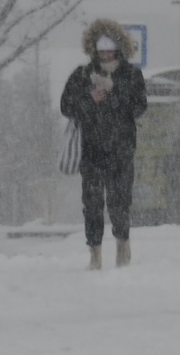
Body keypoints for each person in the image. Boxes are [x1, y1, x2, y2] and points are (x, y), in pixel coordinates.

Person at [60, 19, 147, 269]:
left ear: (120, 49)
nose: (106, 54)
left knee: (120, 202)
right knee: (93, 204)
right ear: (94, 51)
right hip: (92, 152)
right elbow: (66, 106)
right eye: (101, 50)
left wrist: (115, 93)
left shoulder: (132, 76)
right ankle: (95, 254)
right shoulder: (81, 75)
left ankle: (122, 247)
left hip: (121, 151)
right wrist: (89, 99)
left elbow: (140, 107)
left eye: (110, 50)